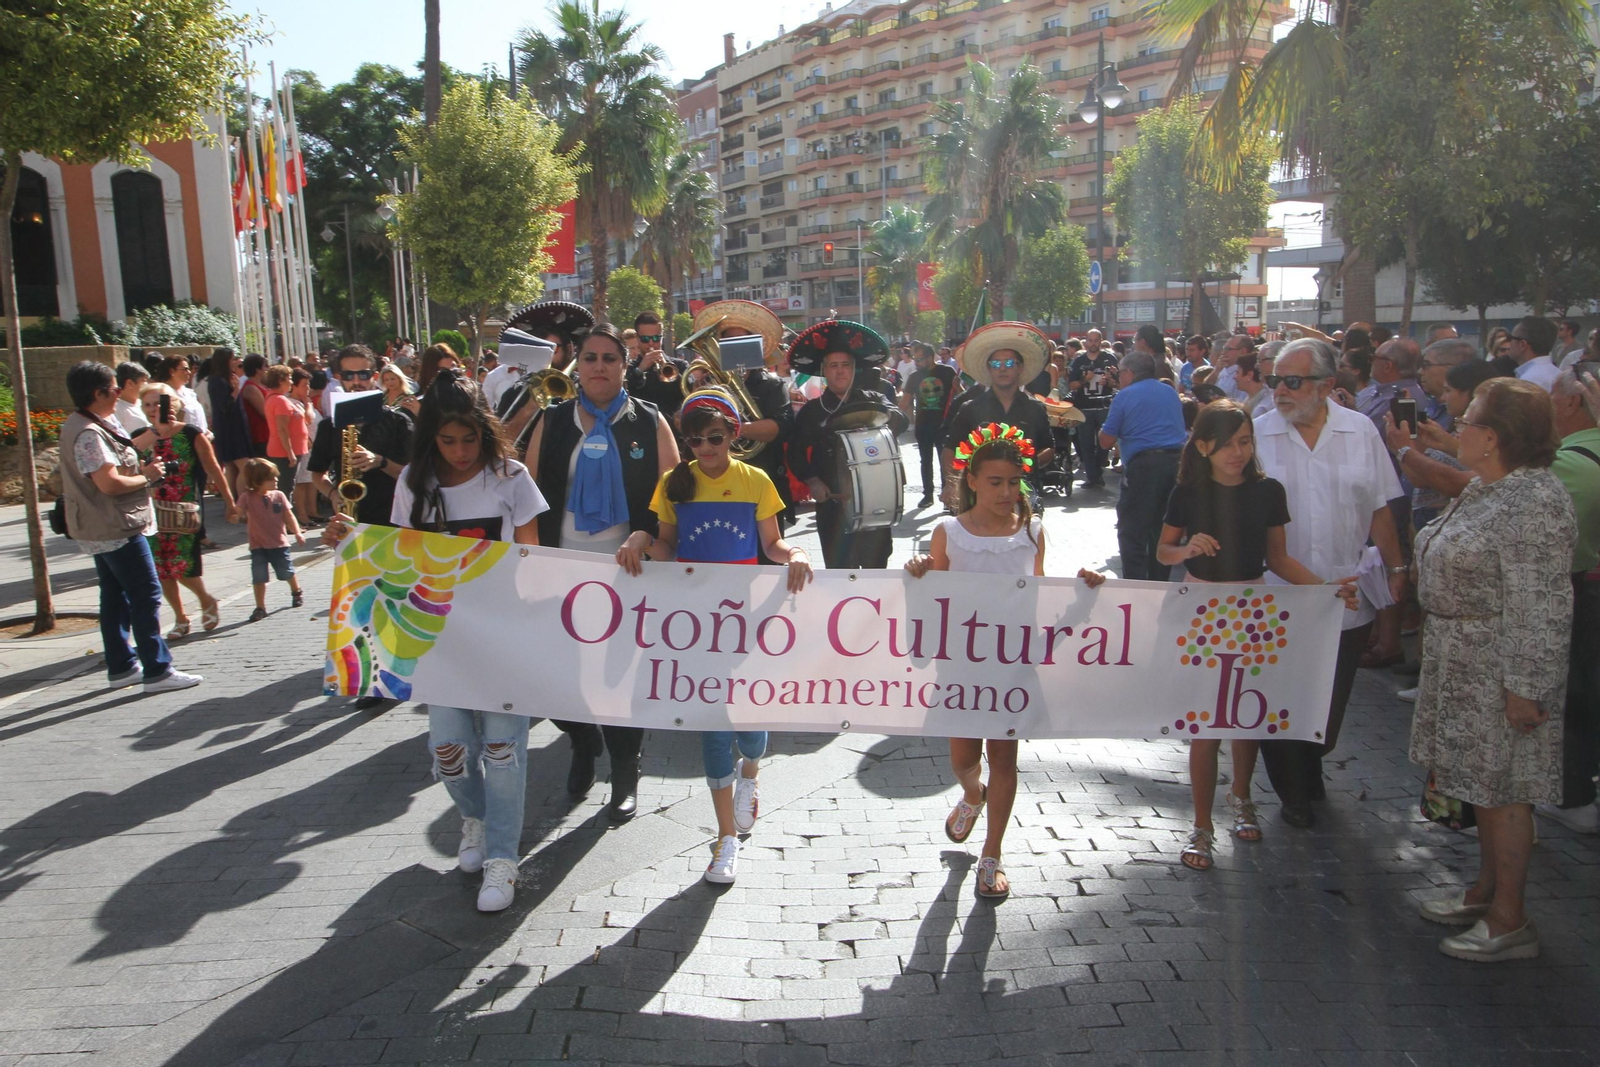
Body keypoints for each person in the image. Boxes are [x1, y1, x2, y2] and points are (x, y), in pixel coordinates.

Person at [616, 390, 811, 883]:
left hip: (743, 615)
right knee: (713, 722)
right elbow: (668, 545)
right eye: (696, 439)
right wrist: (641, 539)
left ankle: (752, 773)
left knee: (749, 723)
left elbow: (772, 544)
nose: (706, 447)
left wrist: (798, 556)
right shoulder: (673, 482)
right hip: (694, 619)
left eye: (716, 438)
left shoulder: (756, 480)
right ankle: (724, 839)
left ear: (733, 436)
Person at [1410, 378, 1575, 961]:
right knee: (1481, 785)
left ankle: (1511, 919)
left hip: (1498, 665)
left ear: (1492, 436)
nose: (1456, 427)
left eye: (1466, 421)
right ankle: (1487, 891)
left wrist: (1525, 688)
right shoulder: (1490, 487)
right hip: (1460, 657)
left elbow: (1543, 603)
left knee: (1505, 791)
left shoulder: (1535, 500)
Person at [905, 424, 1107, 899]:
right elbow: (932, 593)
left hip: (1013, 663)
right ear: (971, 480)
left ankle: (992, 853)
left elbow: (1038, 592)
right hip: (961, 663)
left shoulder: (1032, 532)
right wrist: (918, 574)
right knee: (962, 759)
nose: (1006, 491)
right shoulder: (948, 532)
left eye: (1013, 482)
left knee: (1004, 758)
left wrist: (1083, 590)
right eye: (995, 482)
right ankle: (971, 795)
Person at [1156, 401, 1357, 869]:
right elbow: (1164, 549)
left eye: (1245, 442)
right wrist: (1185, 548)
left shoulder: (1268, 492)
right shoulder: (1187, 492)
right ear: (1203, 446)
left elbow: (1280, 559)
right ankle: (1201, 826)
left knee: (1247, 715)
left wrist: (1325, 590)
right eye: (1227, 444)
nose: (1238, 452)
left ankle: (1241, 795)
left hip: (1253, 606)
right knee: (1204, 723)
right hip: (1201, 608)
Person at [379, 370, 546, 912]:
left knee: (503, 751)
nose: (458, 450)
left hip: (504, 636)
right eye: (447, 440)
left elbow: (531, 559)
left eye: (469, 438)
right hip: (440, 638)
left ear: (484, 431)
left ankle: (504, 857)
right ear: (431, 436)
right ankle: (473, 819)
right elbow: (399, 557)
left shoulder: (511, 476)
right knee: (448, 750)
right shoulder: (413, 483)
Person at [526, 323, 680, 819]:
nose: (598, 367)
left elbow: (674, 497)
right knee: (556, 680)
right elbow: (525, 496)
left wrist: (649, 537)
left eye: (609, 358)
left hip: (627, 574)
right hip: (559, 570)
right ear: (577, 365)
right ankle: (580, 740)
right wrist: (532, 562)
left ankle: (625, 773)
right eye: (590, 358)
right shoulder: (551, 421)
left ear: (623, 365)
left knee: (618, 678)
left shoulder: (649, 421)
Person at [1252, 339, 1404, 828]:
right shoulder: (1255, 435)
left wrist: (1398, 573)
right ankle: (1293, 792)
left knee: (1328, 712)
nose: (1280, 390)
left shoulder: (1360, 431)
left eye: (1292, 381)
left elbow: (1380, 507)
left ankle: (1309, 766)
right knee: (1280, 700)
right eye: (1275, 380)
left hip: (1347, 595)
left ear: (1326, 386)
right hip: (1276, 597)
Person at [59, 362, 202, 695]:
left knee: (115, 596)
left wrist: (155, 432)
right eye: (115, 388)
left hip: (101, 524)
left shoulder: (85, 422)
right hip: (114, 524)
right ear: (99, 393)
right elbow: (109, 484)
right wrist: (148, 477)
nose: (124, 393)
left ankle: (122, 666)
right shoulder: (89, 433)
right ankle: (157, 669)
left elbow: (124, 449)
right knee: (145, 593)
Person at [787, 320, 908, 569]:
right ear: (824, 370)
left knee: (876, 572)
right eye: (833, 366)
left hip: (875, 502)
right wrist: (812, 481)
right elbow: (796, 454)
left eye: (846, 365)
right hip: (832, 506)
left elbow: (902, 421)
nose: (840, 371)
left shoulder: (873, 399)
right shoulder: (812, 410)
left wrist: (878, 417)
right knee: (839, 575)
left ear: (854, 369)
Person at [1537, 367, 1600, 834]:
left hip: (1583, 591)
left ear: (1574, 403)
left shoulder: (1572, 462)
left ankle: (1574, 792)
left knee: (1576, 695)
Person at [690, 299, 796, 530]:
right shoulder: (709, 385)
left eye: (742, 341)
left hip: (764, 483)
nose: (735, 347)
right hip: (717, 489)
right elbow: (688, 426)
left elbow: (781, 429)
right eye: (727, 342)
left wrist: (730, 427)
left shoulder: (773, 386)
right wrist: (695, 401)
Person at [138, 383, 234, 638]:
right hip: (151, 512)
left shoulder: (190, 433)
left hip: (183, 510)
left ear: (174, 404)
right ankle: (180, 618)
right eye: (147, 404)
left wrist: (230, 502)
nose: (153, 409)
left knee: (182, 566)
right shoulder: (141, 435)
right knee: (161, 568)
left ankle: (205, 599)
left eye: (159, 403)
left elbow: (213, 468)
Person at [1100, 333, 1187, 580]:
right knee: (1161, 529)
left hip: (1144, 467)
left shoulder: (1124, 396)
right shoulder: (1169, 392)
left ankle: (1135, 585)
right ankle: (1159, 581)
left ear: (1129, 373)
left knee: (1132, 530)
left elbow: (1106, 440)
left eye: (1120, 372)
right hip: (1175, 464)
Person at [941, 322, 1054, 512]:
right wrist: (951, 484)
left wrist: (1029, 461)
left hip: (1025, 495)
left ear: (1020, 368)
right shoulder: (970, 408)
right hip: (979, 499)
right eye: (996, 364)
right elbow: (950, 449)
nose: (1002, 368)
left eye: (1009, 363)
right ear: (989, 369)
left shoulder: (1035, 408)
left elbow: (1049, 447)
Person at [238, 458, 306, 623]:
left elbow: (289, 515)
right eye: (271, 478)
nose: (276, 480)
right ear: (257, 481)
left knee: (285, 572)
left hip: (279, 543)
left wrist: (297, 532)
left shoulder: (279, 495)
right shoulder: (247, 497)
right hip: (258, 545)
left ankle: (296, 591)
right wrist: (235, 515)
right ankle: (260, 607)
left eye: (275, 477)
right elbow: (238, 511)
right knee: (259, 577)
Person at [901, 340, 960, 508]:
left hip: (944, 424)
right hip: (923, 424)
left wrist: (958, 387)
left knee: (945, 461)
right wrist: (894, 421)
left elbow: (961, 396)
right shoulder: (914, 376)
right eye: (915, 359)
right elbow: (905, 401)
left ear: (930, 357)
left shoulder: (947, 371)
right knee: (925, 460)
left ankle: (947, 495)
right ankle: (927, 495)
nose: (917, 363)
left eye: (920, 359)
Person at [1067, 338, 1119, 489]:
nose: (1093, 343)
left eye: (1096, 340)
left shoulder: (1109, 358)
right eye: (1091, 340)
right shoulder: (1079, 361)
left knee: (1105, 442)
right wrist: (1085, 379)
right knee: (1086, 443)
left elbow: (1117, 383)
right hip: (1085, 407)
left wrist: (1109, 381)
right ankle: (1092, 476)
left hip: (1104, 406)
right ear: (1086, 343)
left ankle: (1097, 470)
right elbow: (1072, 385)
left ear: (1100, 341)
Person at [205, 348, 251, 499]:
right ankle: (240, 503)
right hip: (229, 428)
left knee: (232, 466)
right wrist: (236, 389)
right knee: (243, 466)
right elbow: (224, 405)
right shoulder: (217, 380)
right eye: (232, 359)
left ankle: (233, 503)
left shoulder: (224, 378)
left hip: (233, 425)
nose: (235, 362)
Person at [262, 366, 310, 508]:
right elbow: (282, 429)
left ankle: (284, 520)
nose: (290, 382)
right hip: (284, 452)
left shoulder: (275, 398)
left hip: (286, 450)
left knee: (286, 486)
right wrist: (290, 453)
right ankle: (285, 522)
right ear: (280, 381)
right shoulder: (279, 400)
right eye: (289, 379)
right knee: (285, 488)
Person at [625, 310, 687, 418]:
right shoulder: (629, 369)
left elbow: (687, 393)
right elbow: (626, 394)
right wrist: (640, 370)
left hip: (674, 430)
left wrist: (669, 369)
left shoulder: (680, 366)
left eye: (656, 338)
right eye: (645, 339)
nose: (651, 343)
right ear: (637, 338)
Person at [238, 354, 271, 458]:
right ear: (258, 370)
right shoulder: (251, 388)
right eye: (265, 366)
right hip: (261, 437)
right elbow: (264, 413)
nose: (267, 369)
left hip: (268, 435)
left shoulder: (261, 385)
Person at [114, 362, 151, 436]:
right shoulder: (116, 409)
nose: (147, 385)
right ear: (129, 383)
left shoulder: (144, 402)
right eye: (143, 381)